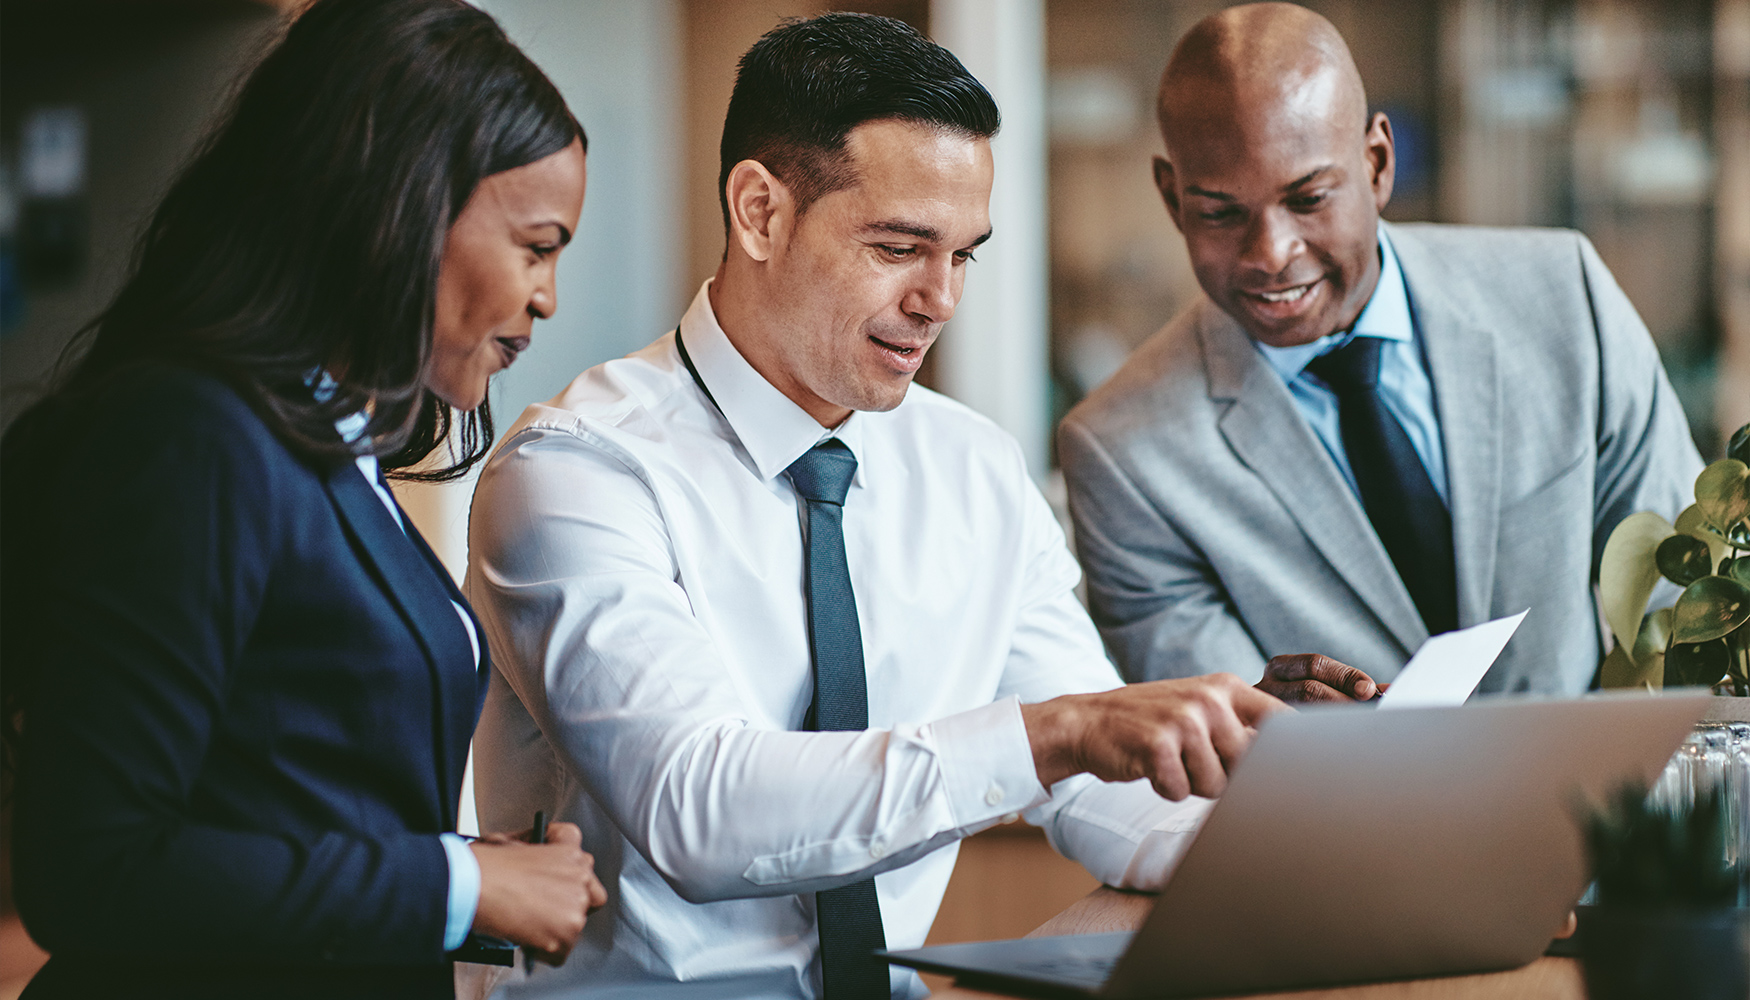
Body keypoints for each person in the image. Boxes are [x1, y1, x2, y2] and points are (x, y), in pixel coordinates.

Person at [464, 13, 1372, 1000]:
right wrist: (1056, 731)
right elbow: (697, 810)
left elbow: (1097, 790)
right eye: (900, 247)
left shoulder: (974, 469)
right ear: (760, 212)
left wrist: (1291, 805)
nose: (940, 299)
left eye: (964, 254)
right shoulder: (577, 472)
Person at [0, 1, 605, 995]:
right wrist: (454, 883)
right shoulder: (191, 435)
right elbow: (91, 866)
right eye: (536, 247)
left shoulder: (327, 448)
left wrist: (472, 876)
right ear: (402, 208)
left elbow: (279, 794)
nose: (547, 297)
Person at [1059, 2, 1702, 693]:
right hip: (1331, 773)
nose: (1271, 253)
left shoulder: (1563, 299)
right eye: (1220, 212)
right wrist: (1277, 724)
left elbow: (1684, 608)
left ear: (1377, 163)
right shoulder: (1124, 453)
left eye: (1308, 198)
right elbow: (1220, 725)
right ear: (1172, 198)